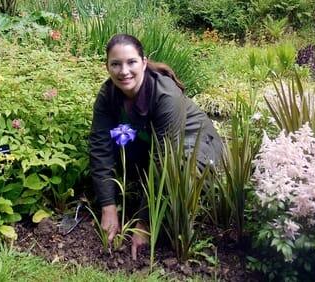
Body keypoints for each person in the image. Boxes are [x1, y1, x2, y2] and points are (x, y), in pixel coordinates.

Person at [89, 34, 223, 260]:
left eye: (131, 62)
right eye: (116, 64)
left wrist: (144, 222)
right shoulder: (107, 94)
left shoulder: (166, 95)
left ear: (143, 61)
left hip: (192, 143)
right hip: (153, 141)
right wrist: (108, 206)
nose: (124, 71)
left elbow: (164, 160)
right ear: (107, 66)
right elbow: (99, 146)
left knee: (179, 174)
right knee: (115, 143)